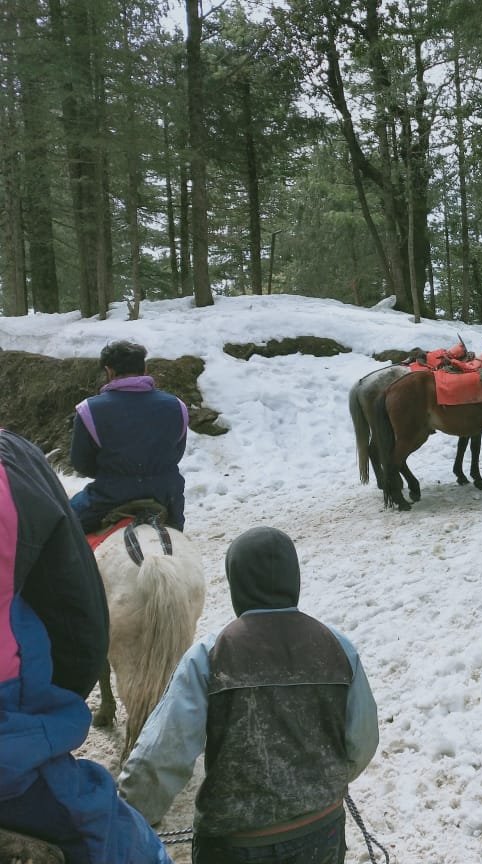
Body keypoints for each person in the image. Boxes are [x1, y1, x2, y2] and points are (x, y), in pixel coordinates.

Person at [119, 526, 380, 864]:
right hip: (322, 830)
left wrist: (129, 814)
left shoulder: (210, 656)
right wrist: (319, 786)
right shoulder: (338, 646)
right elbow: (363, 741)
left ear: (236, 584)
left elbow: (160, 755)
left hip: (237, 843)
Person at [0, 427, 170, 863]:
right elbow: (76, 612)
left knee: (77, 515)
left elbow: (83, 463)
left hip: (109, 495)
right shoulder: (175, 410)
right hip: (164, 491)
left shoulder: (92, 412)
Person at [69, 340, 188, 533]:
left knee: (65, 524)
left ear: (109, 371)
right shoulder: (177, 405)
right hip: (167, 496)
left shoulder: (88, 409)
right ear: (145, 369)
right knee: (175, 536)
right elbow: (177, 453)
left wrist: (115, 474)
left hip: (108, 497)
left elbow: (81, 463)